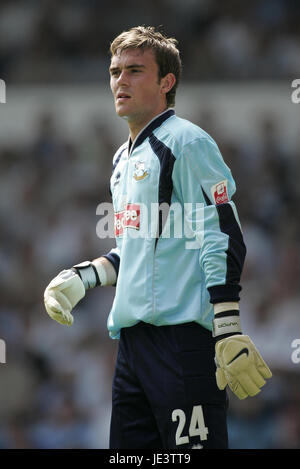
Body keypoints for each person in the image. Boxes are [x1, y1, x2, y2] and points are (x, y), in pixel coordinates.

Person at [44, 26, 272, 449]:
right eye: (115, 72)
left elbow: (221, 230)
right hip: (132, 350)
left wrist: (227, 324)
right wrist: (85, 277)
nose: (120, 81)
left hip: (182, 342)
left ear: (166, 83)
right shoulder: (121, 159)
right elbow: (136, 249)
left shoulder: (187, 142)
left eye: (134, 71)